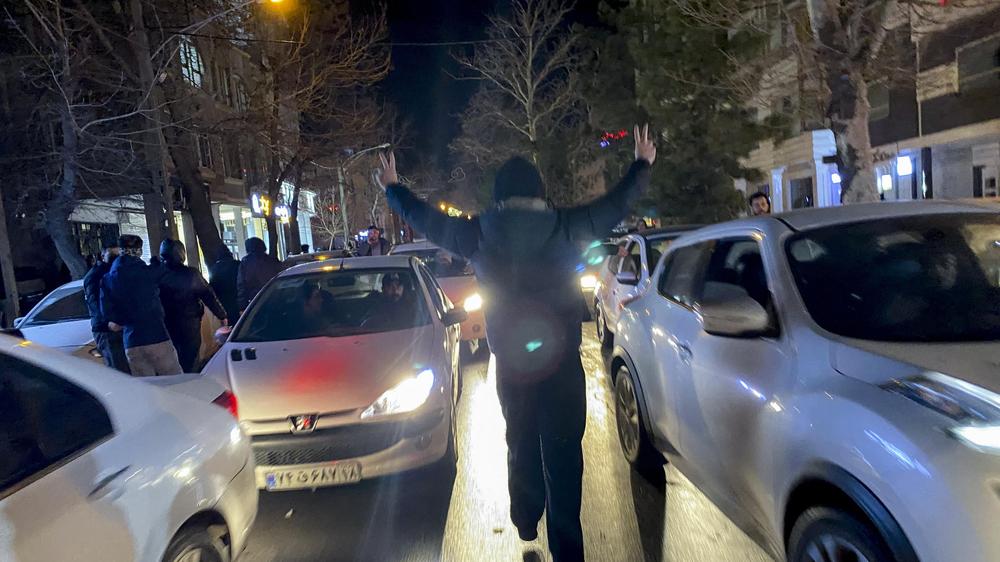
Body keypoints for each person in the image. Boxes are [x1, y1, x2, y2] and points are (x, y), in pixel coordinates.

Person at [380, 124, 656, 562]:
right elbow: (614, 205)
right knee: (563, 452)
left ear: (499, 196)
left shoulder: (477, 233)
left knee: (520, 439)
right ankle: (568, 549)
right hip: (562, 363)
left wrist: (394, 189)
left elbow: (427, 221)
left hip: (512, 363)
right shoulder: (567, 225)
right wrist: (641, 163)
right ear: (539, 191)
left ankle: (526, 515)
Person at [100, 235, 182, 376]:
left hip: (131, 341)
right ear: (139, 251)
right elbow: (168, 271)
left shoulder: (108, 278)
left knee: (146, 385)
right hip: (156, 335)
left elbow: (107, 311)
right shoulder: (148, 272)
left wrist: (122, 322)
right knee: (174, 380)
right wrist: (157, 262)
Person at [158, 239, 229, 372]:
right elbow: (208, 295)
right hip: (189, 323)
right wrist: (222, 315)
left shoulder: (157, 274)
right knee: (190, 359)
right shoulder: (191, 274)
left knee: (171, 359)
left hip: (165, 324)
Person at [83, 242, 130, 374]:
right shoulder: (95, 275)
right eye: (112, 255)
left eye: (118, 255)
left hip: (120, 327)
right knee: (119, 371)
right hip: (107, 330)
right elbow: (95, 303)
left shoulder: (116, 272)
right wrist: (108, 323)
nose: (116, 258)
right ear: (103, 255)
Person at [237, 237, 283, 311]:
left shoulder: (246, 263)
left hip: (256, 300)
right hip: (274, 297)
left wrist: (242, 305)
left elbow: (241, 284)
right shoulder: (272, 260)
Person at [209, 248, 241, 323]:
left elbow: (213, 287)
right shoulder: (237, 264)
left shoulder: (214, 269)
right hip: (237, 300)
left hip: (224, 302)